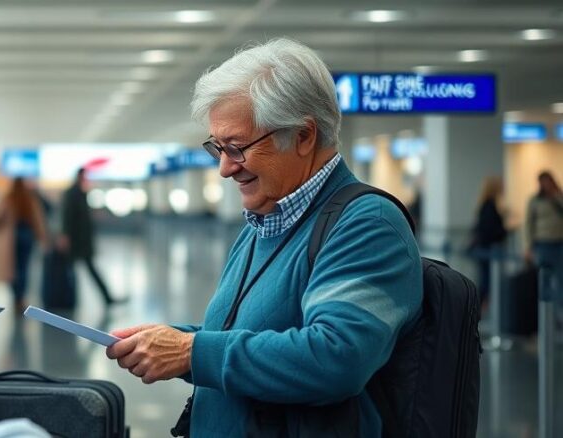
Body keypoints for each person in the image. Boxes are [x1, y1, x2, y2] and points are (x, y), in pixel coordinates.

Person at [105, 38, 421, 436]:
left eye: (237, 148)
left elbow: (336, 358)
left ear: (304, 136)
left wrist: (192, 353)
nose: (224, 168)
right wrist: (174, 341)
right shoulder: (268, 219)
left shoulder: (367, 223)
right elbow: (255, 334)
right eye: (217, 148)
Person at [60, 167, 123, 305]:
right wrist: (65, 236)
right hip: (76, 239)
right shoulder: (72, 193)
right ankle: (69, 299)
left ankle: (104, 298)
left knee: (85, 269)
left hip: (82, 239)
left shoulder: (81, 193)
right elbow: (67, 216)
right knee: (72, 271)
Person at [0, 178, 47, 312]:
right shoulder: (29, 199)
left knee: (12, 269)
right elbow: (38, 219)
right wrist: (42, 237)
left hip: (12, 238)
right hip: (27, 236)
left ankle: (17, 296)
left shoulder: (8, 198)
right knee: (24, 268)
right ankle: (21, 297)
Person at [470, 176, 508, 308]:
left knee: (486, 282)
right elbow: (491, 230)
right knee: (486, 283)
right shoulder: (490, 207)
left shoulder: (485, 205)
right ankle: (475, 312)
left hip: (485, 249)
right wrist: (505, 229)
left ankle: (477, 312)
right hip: (488, 250)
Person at [526, 171, 563, 304]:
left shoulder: (559, 197)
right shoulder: (535, 201)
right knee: (544, 278)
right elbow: (529, 224)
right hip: (543, 243)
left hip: (559, 242)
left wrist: (556, 196)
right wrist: (529, 246)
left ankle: (559, 312)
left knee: (561, 278)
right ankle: (544, 313)